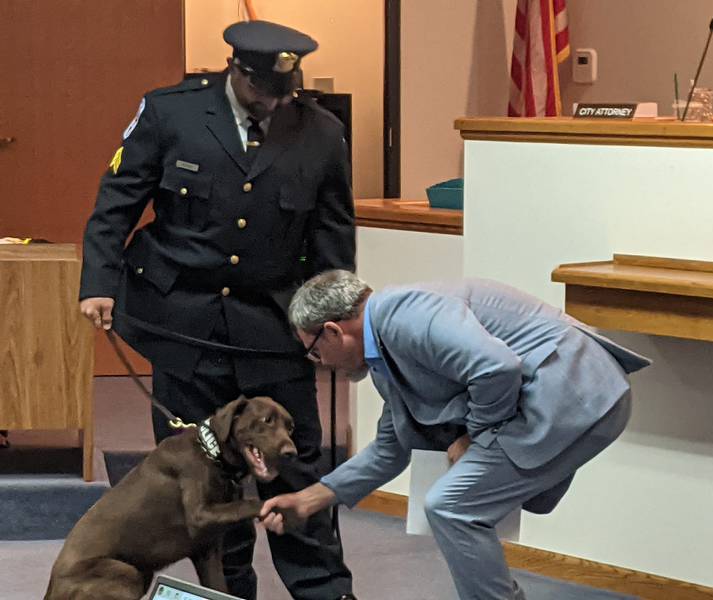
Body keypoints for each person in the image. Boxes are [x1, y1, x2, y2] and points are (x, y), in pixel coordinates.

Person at [78, 21, 356, 600]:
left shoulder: (322, 133)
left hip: (273, 333)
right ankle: (228, 596)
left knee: (295, 469)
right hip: (182, 327)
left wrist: (335, 323)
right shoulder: (168, 113)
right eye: (262, 91)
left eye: (285, 90)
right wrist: (98, 283)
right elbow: (116, 203)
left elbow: (333, 238)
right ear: (236, 71)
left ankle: (326, 591)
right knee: (201, 485)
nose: (274, 103)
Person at [259, 270, 652, 600]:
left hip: (576, 393)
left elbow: (496, 368)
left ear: (332, 331)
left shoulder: (406, 317)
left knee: (452, 506)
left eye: (313, 351)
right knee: (460, 505)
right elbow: (389, 448)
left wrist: (477, 437)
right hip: (578, 395)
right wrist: (310, 499)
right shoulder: (383, 350)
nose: (320, 363)